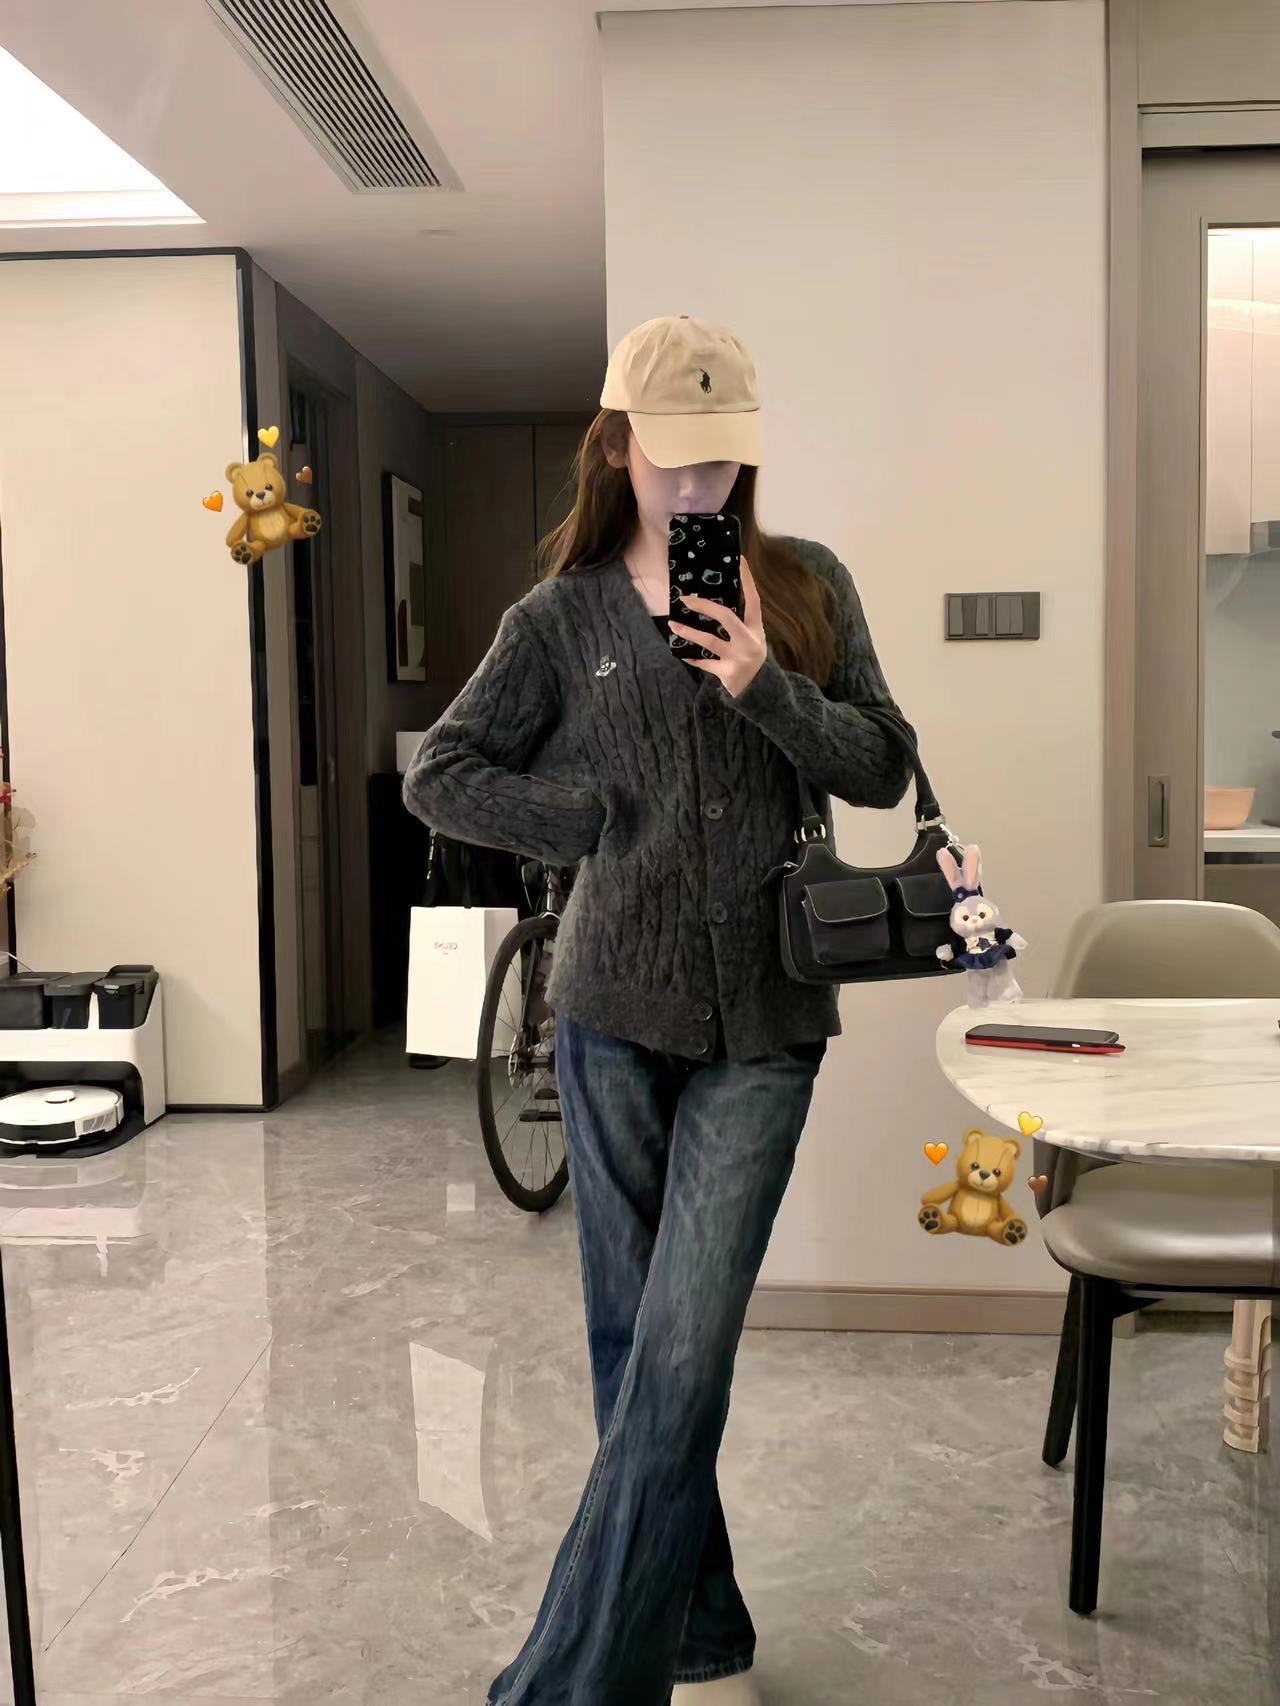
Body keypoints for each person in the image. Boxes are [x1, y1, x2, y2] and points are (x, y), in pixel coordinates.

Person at [402, 314, 916, 1706]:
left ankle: (574, 1686)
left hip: (770, 1020)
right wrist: (576, 816)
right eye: (672, 459)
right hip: (610, 1017)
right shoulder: (558, 618)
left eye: (720, 461)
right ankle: (700, 1632)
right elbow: (442, 772)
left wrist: (766, 687)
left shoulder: (804, 586)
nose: (696, 488)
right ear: (617, 445)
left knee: (683, 1350)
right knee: (633, 1352)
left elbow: (884, 765)